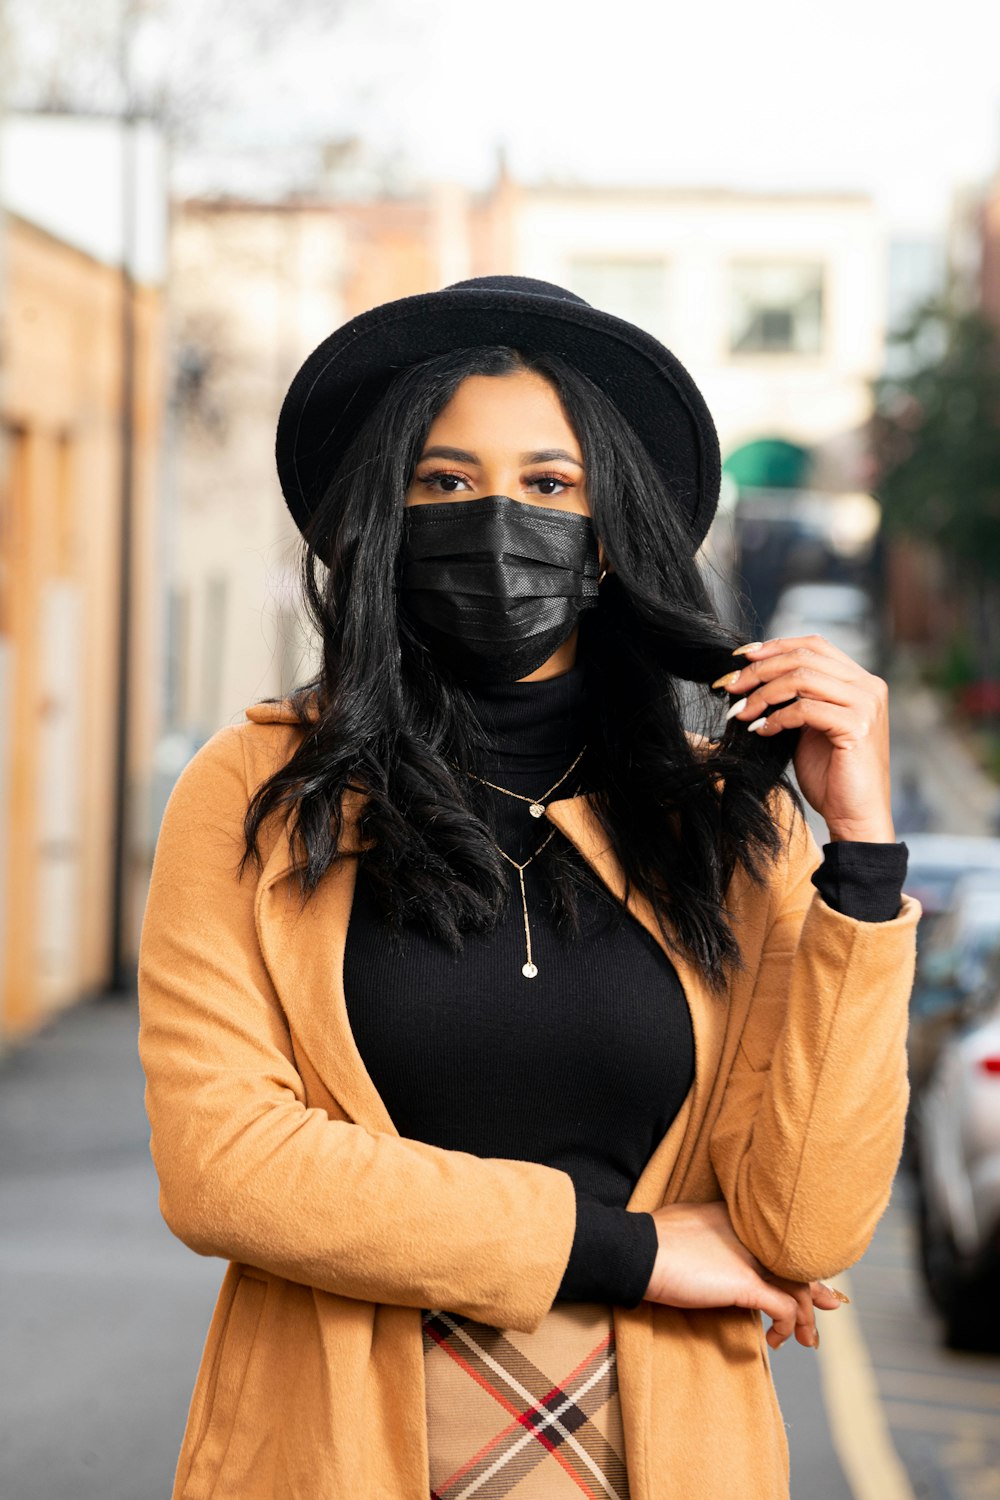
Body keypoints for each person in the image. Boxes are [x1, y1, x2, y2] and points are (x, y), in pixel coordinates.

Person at [137, 275, 919, 1500]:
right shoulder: (254, 789)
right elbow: (225, 1164)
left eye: (549, 485)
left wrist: (861, 857)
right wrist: (631, 1250)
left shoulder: (726, 819)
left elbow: (806, 1229)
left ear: (610, 532)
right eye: (444, 482)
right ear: (382, 521)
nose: (496, 519)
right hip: (330, 1450)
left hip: (667, 1457)